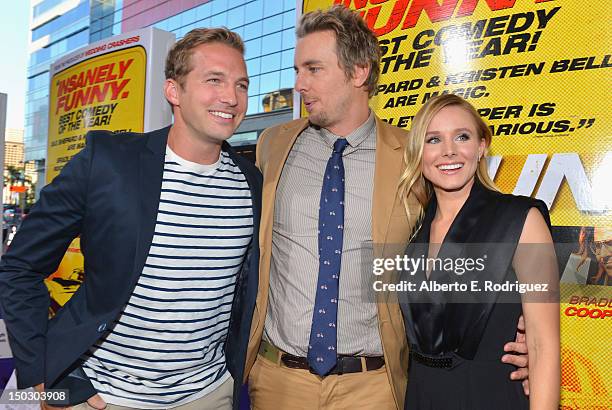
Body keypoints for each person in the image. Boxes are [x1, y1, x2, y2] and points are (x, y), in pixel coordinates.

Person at [244, 6, 530, 409]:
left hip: (374, 387)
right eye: (296, 70)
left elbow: (466, 245)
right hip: (278, 382)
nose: (299, 84)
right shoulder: (273, 145)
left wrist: (521, 334)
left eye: (312, 69)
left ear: (359, 72)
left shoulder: (413, 157)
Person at [0, 28, 261, 410]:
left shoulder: (250, 181)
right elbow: (20, 266)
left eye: (241, 84)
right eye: (214, 80)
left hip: (211, 394)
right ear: (174, 91)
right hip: (104, 397)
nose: (231, 97)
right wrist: (41, 375)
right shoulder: (107, 161)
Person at [397, 94, 560, 409]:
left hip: (492, 396)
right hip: (420, 396)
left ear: (482, 145)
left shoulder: (521, 220)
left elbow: (542, 347)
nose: (449, 151)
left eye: (462, 136)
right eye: (434, 139)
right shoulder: (414, 229)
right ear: (419, 153)